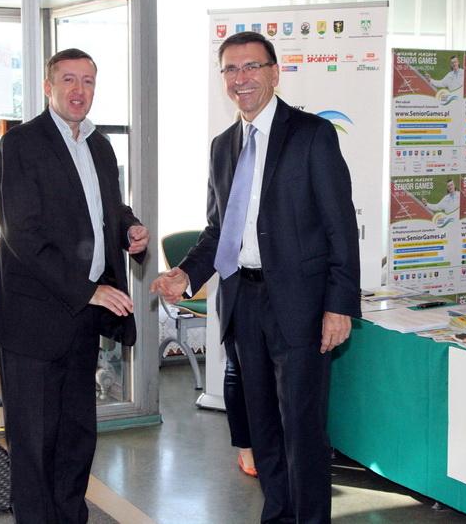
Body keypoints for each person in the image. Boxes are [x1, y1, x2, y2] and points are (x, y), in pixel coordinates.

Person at [151, 31, 360, 523]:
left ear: (274, 72)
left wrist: (339, 305)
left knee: (302, 428)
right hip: (242, 302)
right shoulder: (222, 146)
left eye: (251, 67)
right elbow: (218, 229)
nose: (240, 78)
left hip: (301, 306)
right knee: (262, 424)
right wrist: (186, 274)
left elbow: (340, 225)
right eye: (230, 69)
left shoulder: (311, 134)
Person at [0, 48, 149, 523]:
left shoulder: (99, 145)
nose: (79, 90)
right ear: (48, 87)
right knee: (34, 440)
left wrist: (130, 230)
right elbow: (22, 234)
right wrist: (88, 289)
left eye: (88, 81)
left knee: (77, 433)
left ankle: (71, 516)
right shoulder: (20, 144)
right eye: (69, 80)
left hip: (82, 319)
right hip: (33, 321)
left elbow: (108, 209)